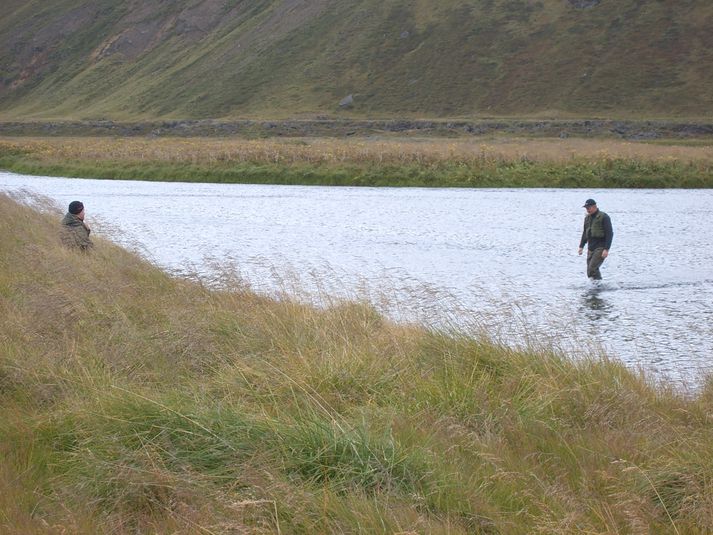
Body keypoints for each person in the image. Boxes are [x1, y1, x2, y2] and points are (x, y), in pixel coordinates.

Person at [578, 198, 613, 280]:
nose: (587, 210)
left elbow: (609, 234)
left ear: (595, 206)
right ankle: (596, 287)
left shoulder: (604, 217)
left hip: (601, 247)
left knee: (592, 269)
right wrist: (581, 246)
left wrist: (606, 249)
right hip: (591, 248)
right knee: (589, 273)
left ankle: (598, 286)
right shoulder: (587, 218)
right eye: (586, 208)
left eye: (589, 208)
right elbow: (584, 233)